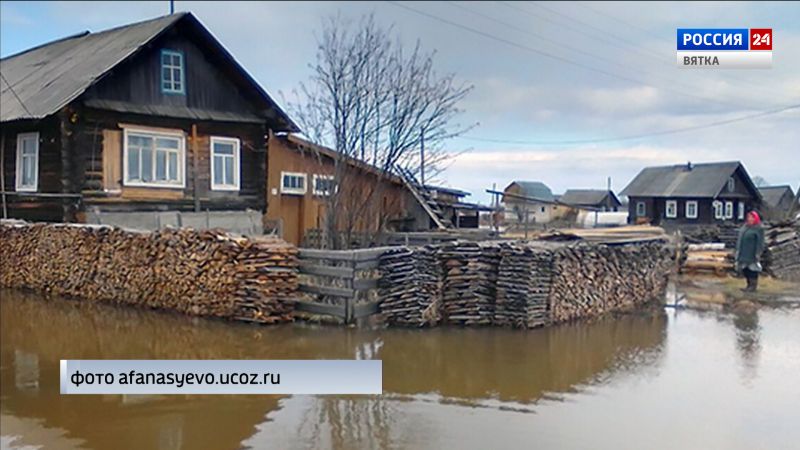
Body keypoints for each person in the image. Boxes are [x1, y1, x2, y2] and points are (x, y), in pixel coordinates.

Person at [735, 210, 765, 292]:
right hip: (743, 252)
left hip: (752, 253)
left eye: (752, 217)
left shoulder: (759, 229)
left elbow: (760, 242)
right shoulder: (745, 227)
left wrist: (758, 253)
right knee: (745, 269)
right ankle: (748, 285)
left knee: (752, 270)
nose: (750, 219)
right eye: (749, 217)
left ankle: (753, 286)